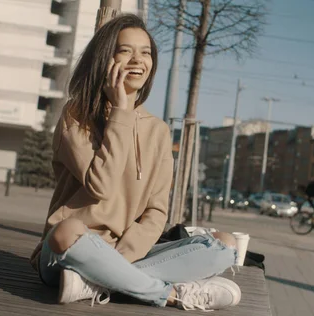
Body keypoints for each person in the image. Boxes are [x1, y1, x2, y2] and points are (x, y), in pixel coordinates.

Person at [28, 14, 241, 311]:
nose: (137, 59)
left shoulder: (158, 131)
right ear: (105, 58)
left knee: (225, 244)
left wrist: (116, 262)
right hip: (69, 252)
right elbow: (102, 185)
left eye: (145, 52)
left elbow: (156, 212)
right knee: (68, 230)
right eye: (125, 50)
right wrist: (121, 112)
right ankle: (170, 295)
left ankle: (98, 283)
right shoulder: (75, 116)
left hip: (129, 254)